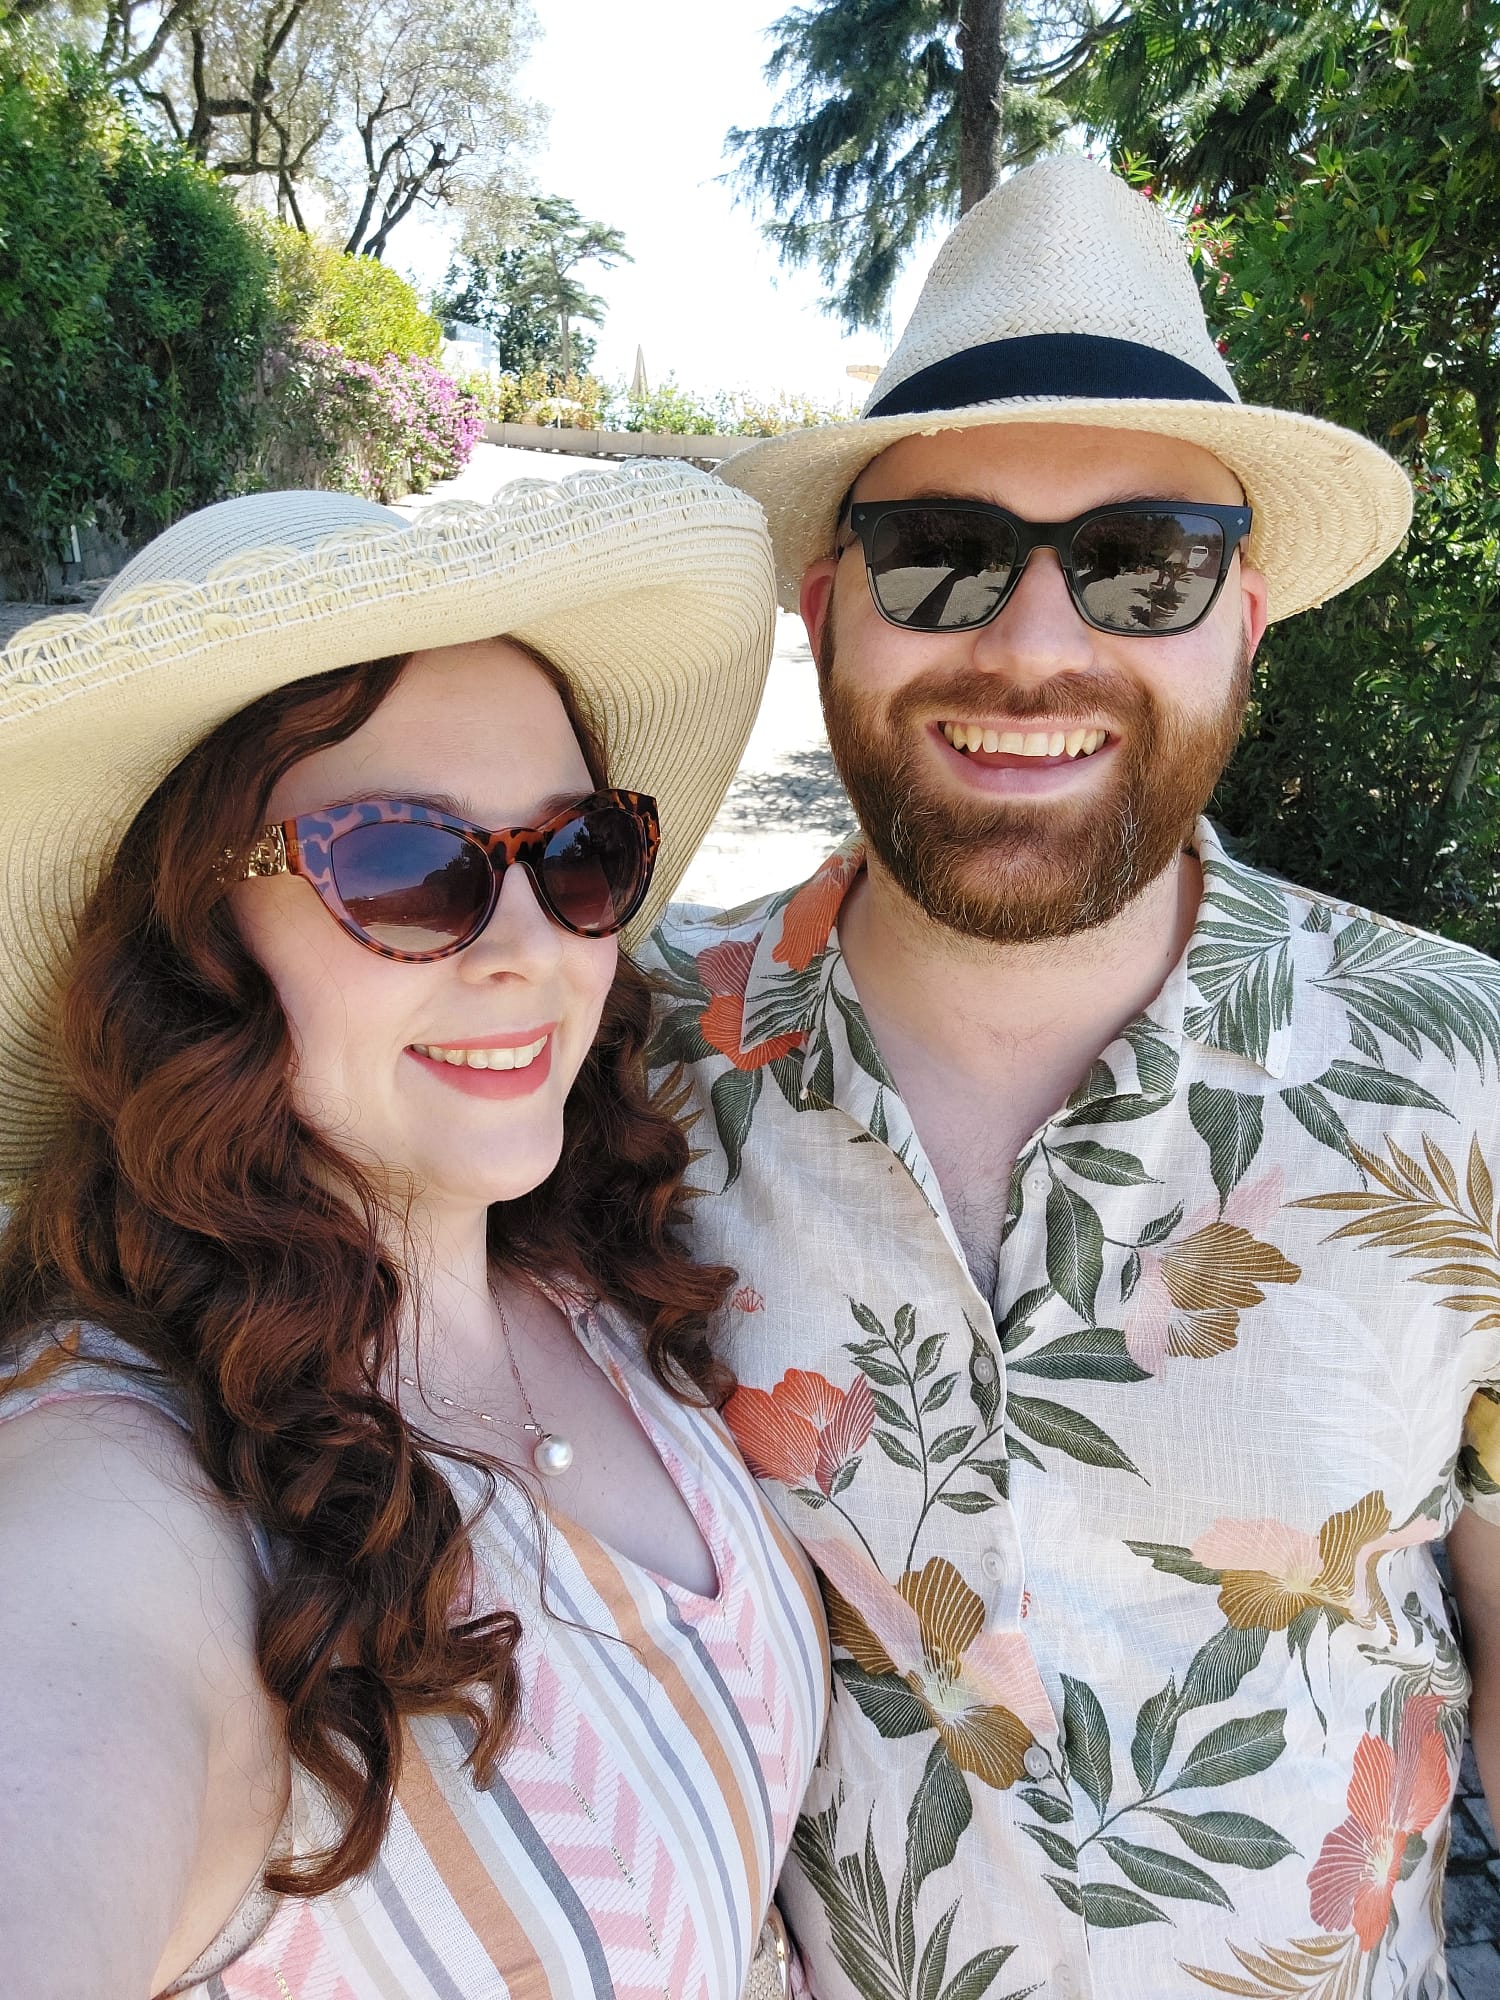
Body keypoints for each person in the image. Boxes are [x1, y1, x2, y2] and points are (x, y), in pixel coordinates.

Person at [642, 157, 1500, 1997]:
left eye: (1139, 565)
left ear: (1244, 627)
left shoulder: (1471, 1085)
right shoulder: (607, 1076)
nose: (1035, 648)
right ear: (826, 617)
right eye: (939, 554)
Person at [0, 464, 828, 2000]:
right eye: (400, 865)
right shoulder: (120, 1490)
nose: (528, 951)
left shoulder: (589, 1278)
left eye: (579, 854)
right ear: (195, 937)